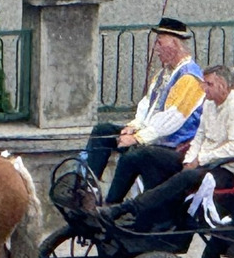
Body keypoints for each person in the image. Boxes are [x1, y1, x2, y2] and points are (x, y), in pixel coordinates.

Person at [101, 65, 234, 230]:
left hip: (227, 168)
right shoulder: (210, 104)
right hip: (202, 160)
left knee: (185, 177)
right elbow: (200, 136)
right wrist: (190, 159)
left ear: (223, 85)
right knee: (146, 155)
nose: (204, 88)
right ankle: (116, 204)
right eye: (204, 83)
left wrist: (200, 159)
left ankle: (128, 209)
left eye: (209, 84)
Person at [84, 17, 204, 204]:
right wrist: (134, 126)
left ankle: (112, 204)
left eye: (159, 43)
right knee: (103, 131)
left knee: (131, 154)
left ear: (174, 44)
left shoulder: (189, 78)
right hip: (151, 133)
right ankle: (87, 189)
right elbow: (147, 105)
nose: (155, 49)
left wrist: (138, 138)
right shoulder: (163, 74)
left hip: (172, 143)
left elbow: (172, 119)